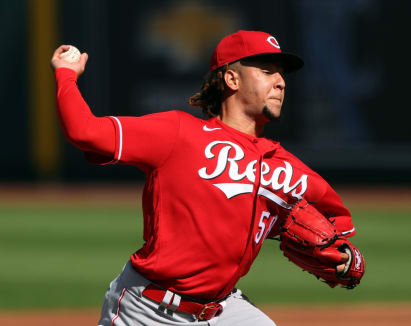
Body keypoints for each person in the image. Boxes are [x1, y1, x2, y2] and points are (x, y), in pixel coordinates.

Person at [51, 30, 357, 326]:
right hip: (148, 309)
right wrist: (66, 73)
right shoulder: (178, 133)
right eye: (266, 71)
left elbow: (338, 226)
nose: (280, 83)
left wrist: (345, 258)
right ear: (231, 78)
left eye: (282, 75)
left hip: (223, 309)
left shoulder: (289, 169)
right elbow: (84, 131)